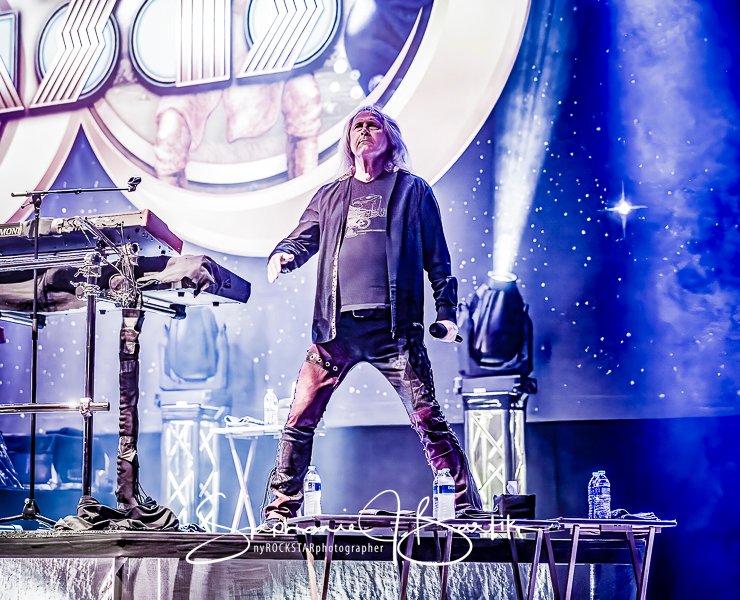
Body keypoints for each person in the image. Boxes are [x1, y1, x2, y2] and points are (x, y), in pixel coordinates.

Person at [262, 105, 482, 527]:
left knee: (427, 417)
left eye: (373, 125)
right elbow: (301, 238)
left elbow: (439, 261)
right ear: (349, 140)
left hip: (393, 331)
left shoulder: (413, 190)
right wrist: (284, 255)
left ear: (389, 138)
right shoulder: (330, 195)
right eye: (357, 127)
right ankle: (280, 511)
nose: (364, 131)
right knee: (299, 419)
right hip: (335, 331)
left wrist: (447, 313)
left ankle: (463, 507)